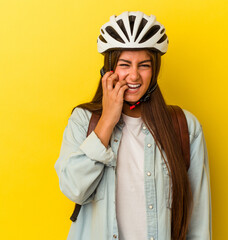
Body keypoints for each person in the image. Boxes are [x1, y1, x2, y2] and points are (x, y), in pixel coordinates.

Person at [55, 11, 212, 240]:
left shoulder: (185, 127)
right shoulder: (82, 120)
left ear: (155, 69)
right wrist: (108, 119)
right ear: (108, 69)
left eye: (144, 65)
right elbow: (74, 189)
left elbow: (198, 222)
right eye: (125, 64)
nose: (134, 76)